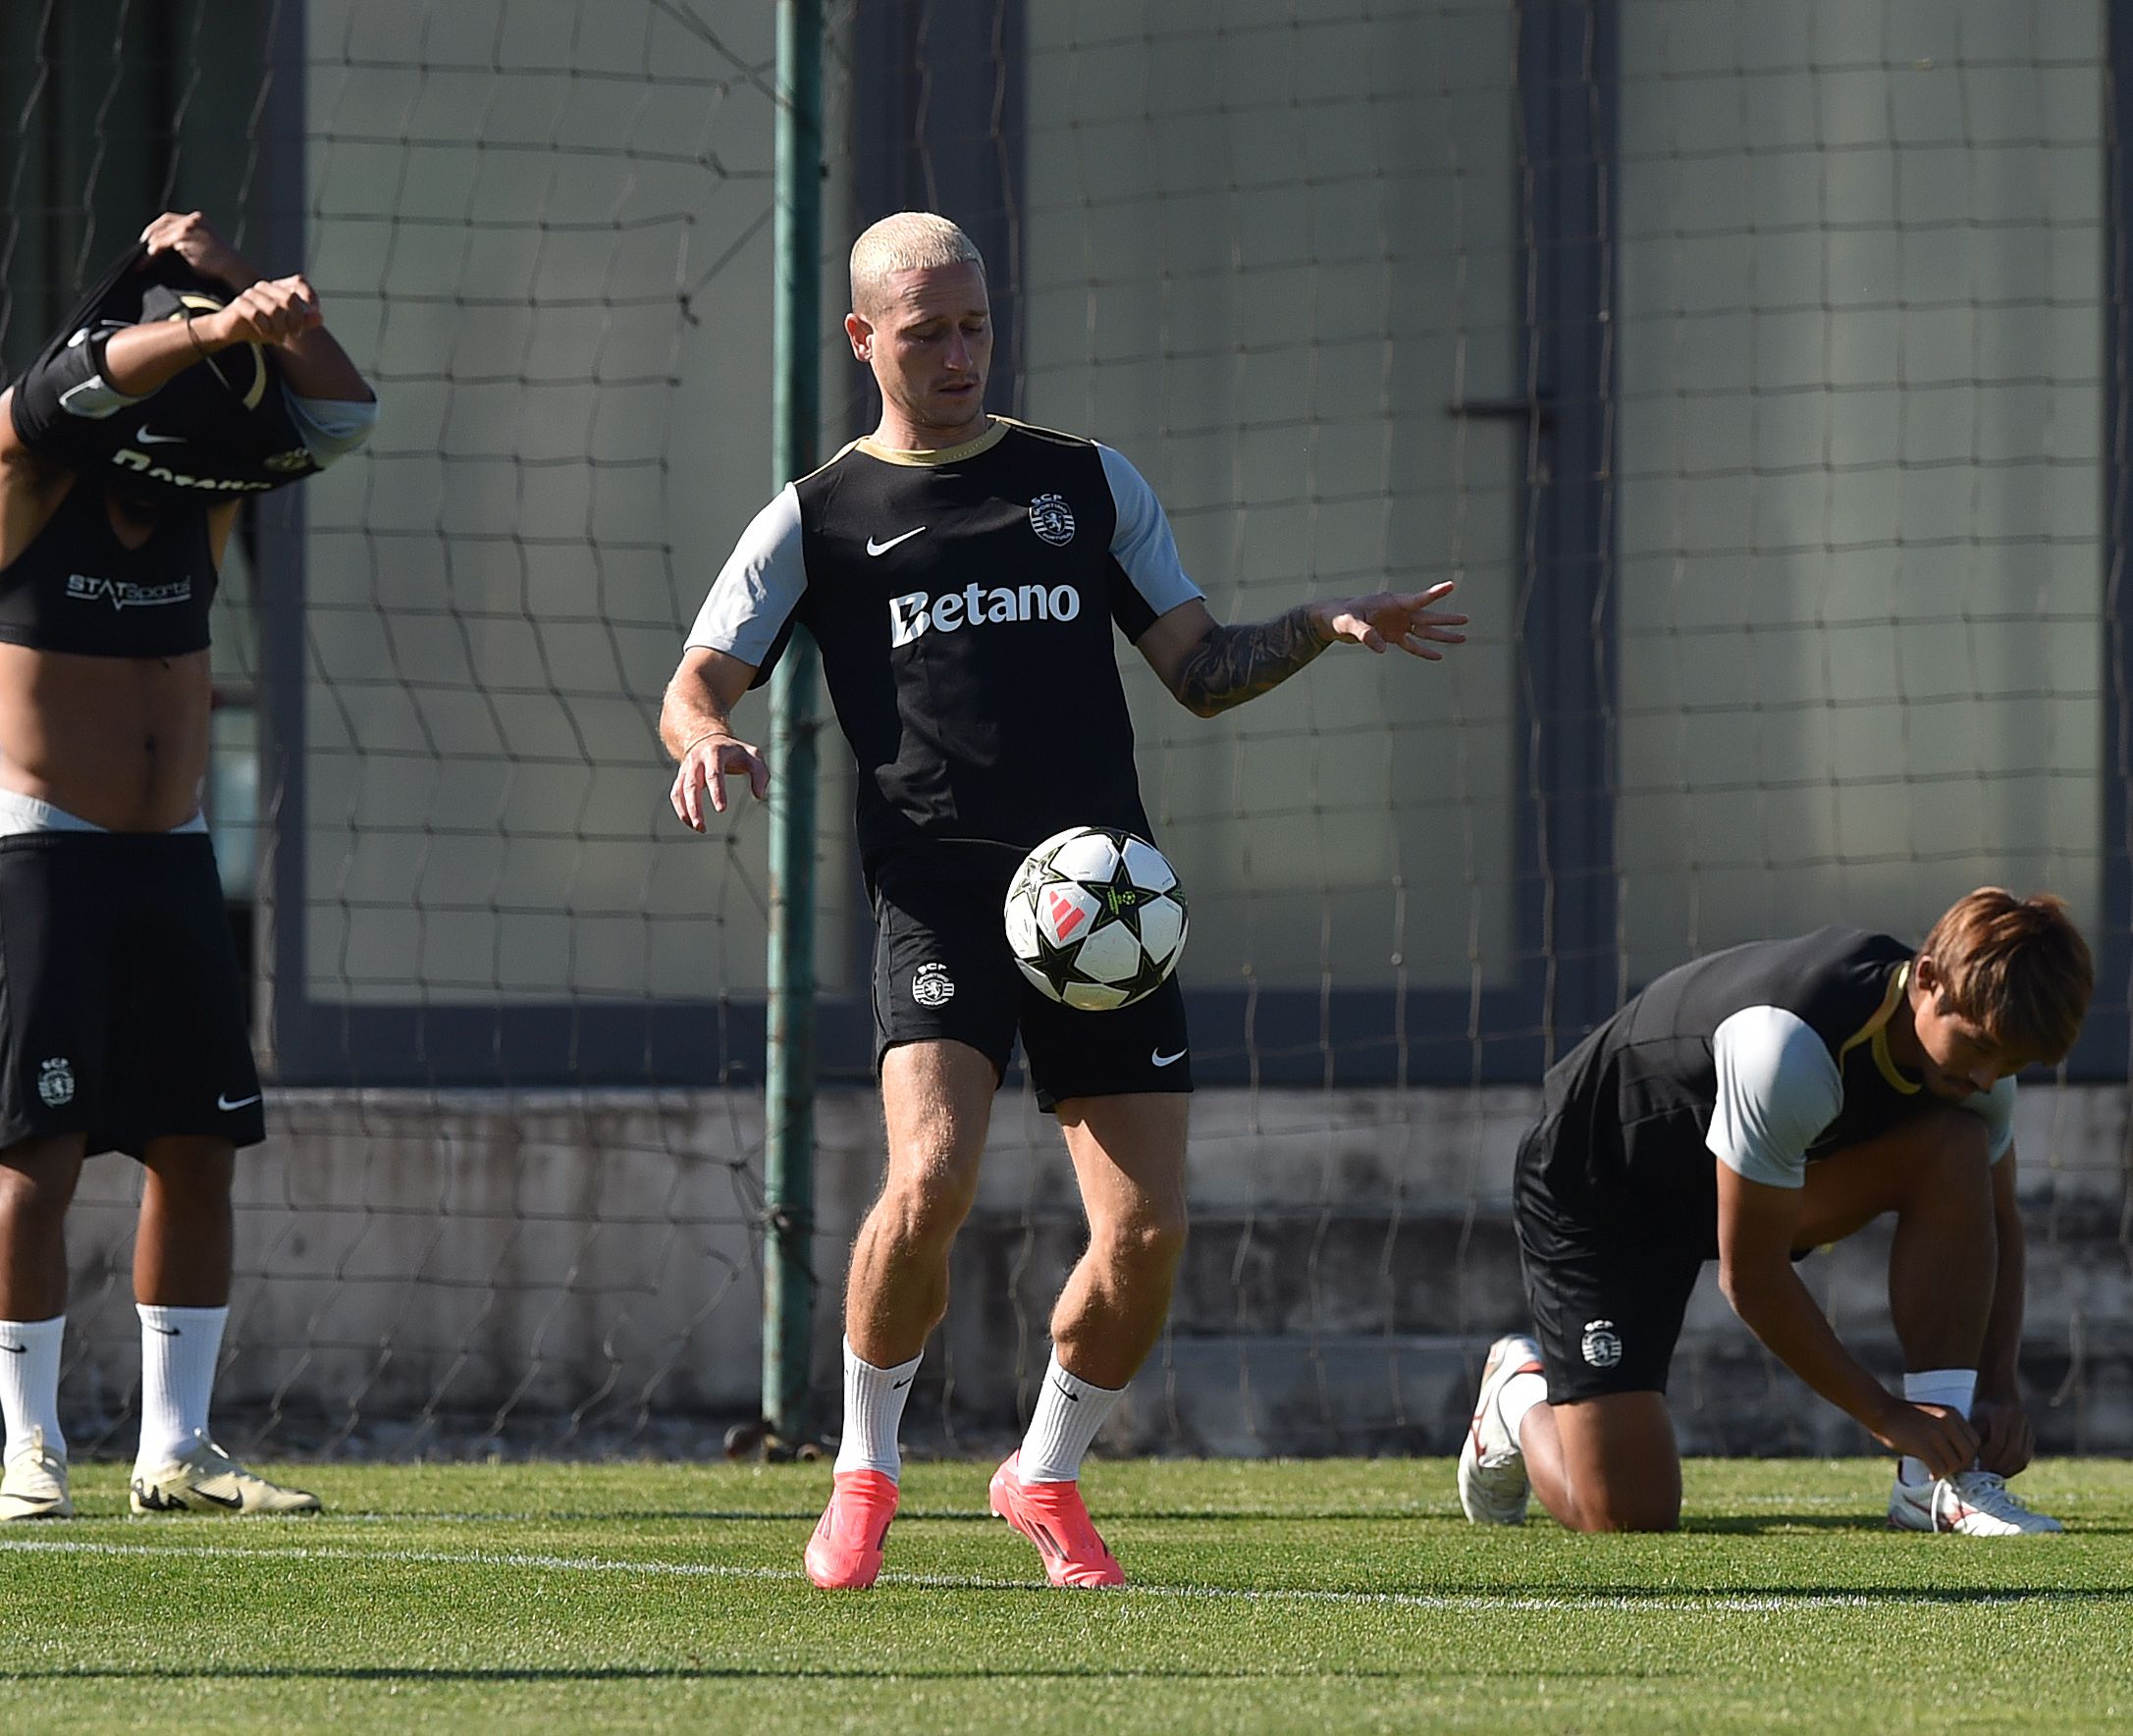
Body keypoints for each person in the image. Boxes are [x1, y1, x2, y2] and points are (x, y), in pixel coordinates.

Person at [663, 211, 1466, 1589]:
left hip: (1102, 903)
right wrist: (705, 744)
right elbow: (696, 683)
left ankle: (1042, 1473)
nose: (962, 352)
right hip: (939, 895)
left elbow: (1199, 668)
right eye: (929, 333)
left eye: (976, 324)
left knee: (1145, 1232)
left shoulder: (1083, 484)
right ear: (866, 339)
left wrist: (1322, 627)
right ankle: (864, 1470)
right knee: (929, 1177)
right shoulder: (817, 515)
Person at [0, 211, 376, 1519]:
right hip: (41, 855)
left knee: (196, 1150)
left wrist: (244, 287)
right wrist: (210, 321)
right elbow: (65, 390)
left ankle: (177, 1448)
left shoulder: (205, 494)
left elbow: (341, 416)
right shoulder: (24, 476)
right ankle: (27, 1443)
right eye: (179, 357)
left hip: (172, 857)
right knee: (31, 1158)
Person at [1458, 888, 2092, 1536]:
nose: (1988, 1077)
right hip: (1602, 1190)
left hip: (1745, 1176)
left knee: (1956, 1146)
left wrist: (1997, 1389)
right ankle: (1518, 1392)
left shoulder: (1977, 1067)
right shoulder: (1788, 1046)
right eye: (1980, 1047)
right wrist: (1884, 1413)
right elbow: (1751, 1278)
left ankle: (1930, 1483)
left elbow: (1999, 1221)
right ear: (1928, 980)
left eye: (2012, 1062)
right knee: (1627, 1515)